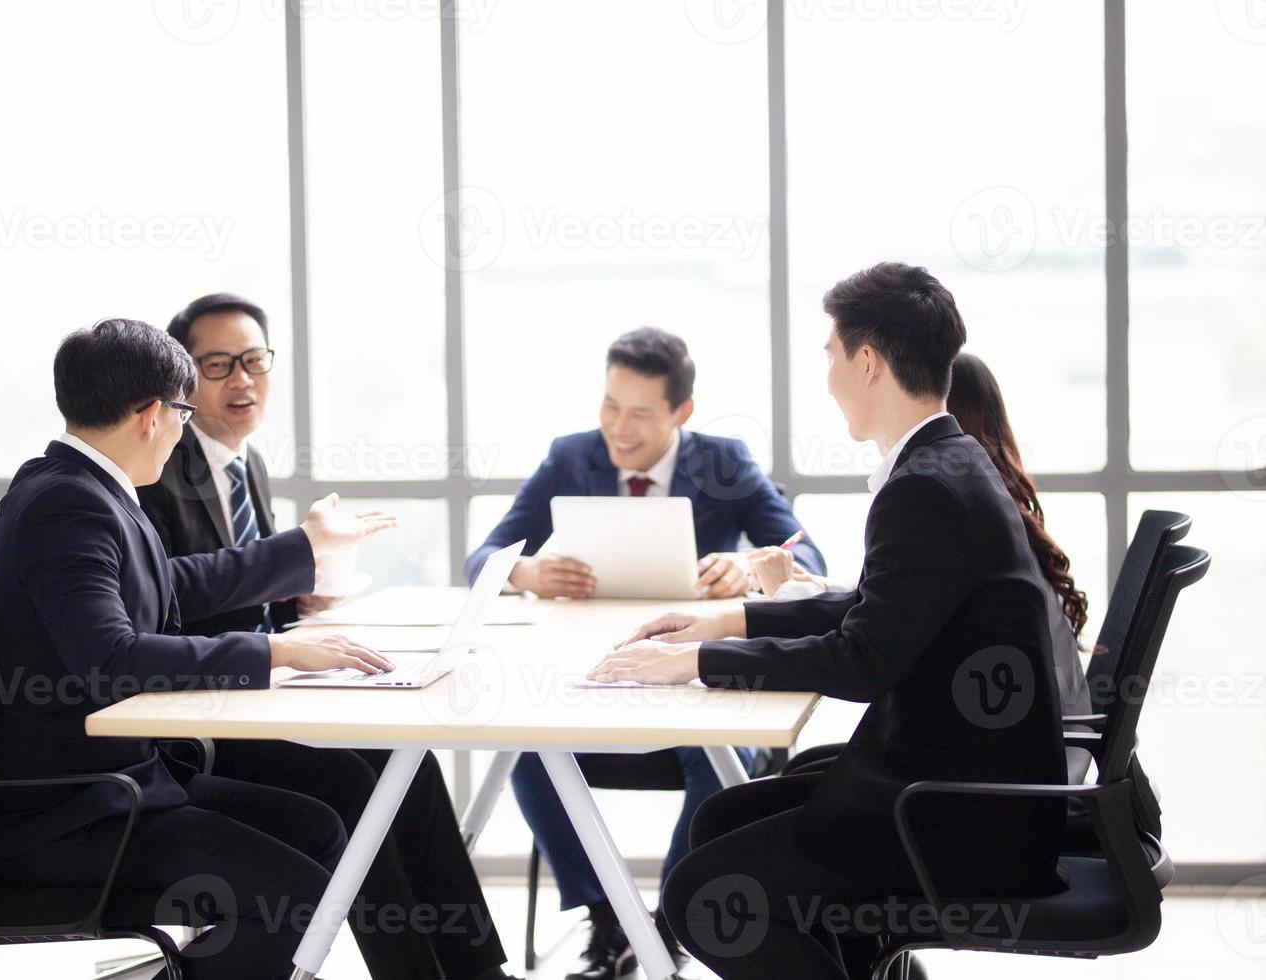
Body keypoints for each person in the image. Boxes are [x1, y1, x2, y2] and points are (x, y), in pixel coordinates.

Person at [591, 263, 1069, 980]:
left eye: (831, 356)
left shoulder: (924, 488)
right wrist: (729, 621)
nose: (828, 375)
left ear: (868, 363)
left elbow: (862, 660)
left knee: (703, 894)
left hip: (956, 817)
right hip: (960, 789)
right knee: (721, 821)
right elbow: (876, 607)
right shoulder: (950, 463)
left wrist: (695, 664)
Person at [0, 319, 399, 979]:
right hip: (73, 814)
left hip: (125, 784)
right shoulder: (68, 504)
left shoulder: (84, 487)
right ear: (150, 415)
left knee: (321, 829)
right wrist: (275, 655)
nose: (182, 430)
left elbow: (169, 583)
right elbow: (111, 660)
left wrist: (305, 550)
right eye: (180, 412)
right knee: (295, 893)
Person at [139, 293, 518, 980]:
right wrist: (280, 583)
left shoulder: (241, 463)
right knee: (356, 779)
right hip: (193, 713)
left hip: (254, 693)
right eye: (218, 365)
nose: (242, 381)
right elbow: (166, 598)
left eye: (254, 361)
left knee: (407, 759)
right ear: (182, 380)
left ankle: (476, 969)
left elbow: (234, 588)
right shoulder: (158, 469)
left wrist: (292, 596)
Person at [466, 326, 826, 980]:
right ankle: (608, 918)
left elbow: (807, 560)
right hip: (594, 677)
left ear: (681, 413)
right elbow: (483, 558)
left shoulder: (725, 461)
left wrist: (748, 567)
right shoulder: (569, 458)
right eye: (609, 406)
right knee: (524, 748)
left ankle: (665, 922)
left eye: (639, 413)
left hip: (690, 679)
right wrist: (525, 574)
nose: (618, 429)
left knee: (718, 754)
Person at [754, 350, 1094, 783]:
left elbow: (882, 644)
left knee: (741, 810)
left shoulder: (950, 504)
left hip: (1002, 769)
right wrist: (810, 590)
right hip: (1033, 746)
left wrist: (786, 596)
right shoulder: (995, 509)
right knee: (797, 776)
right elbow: (911, 605)